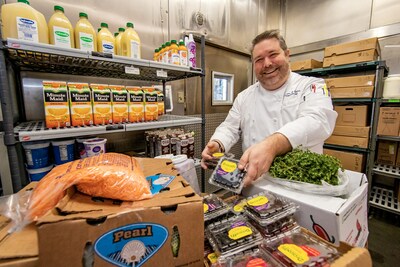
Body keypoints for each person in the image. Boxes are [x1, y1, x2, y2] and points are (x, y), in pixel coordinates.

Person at [201, 29, 337, 187]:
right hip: (253, 182)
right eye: (259, 59)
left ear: (287, 54)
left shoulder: (311, 86)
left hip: (300, 185)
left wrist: (272, 145)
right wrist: (217, 143)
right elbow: (229, 127)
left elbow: (318, 120)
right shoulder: (244, 96)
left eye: (273, 54)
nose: (267, 63)